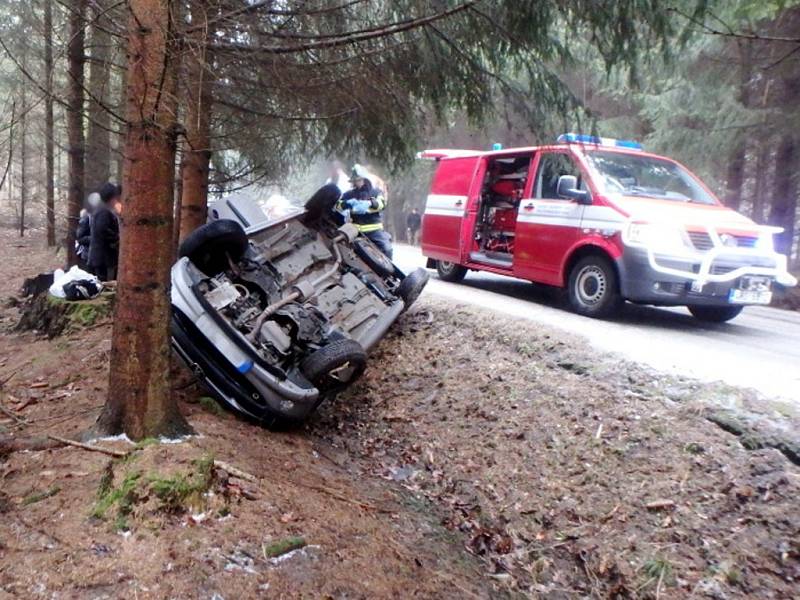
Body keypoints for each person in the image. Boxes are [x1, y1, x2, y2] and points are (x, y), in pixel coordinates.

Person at [338, 164, 393, 258]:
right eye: (355, 181)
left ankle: (387, 272)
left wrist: (370, 203)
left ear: (364, 179)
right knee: (344, 250)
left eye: (359, 180)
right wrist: (347, 203)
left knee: (387, 249)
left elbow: (382, 204)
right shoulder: (349, 194)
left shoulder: (375, 192)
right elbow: (338, 205)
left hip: (375, 231)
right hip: (355, 231)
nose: (357, 183)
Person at [88, 183, 121, 281]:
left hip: (101, 258)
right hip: (103, 259)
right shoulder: (104, 212)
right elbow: (102, 230)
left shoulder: (103, 210)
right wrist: (117, 237)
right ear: (112, 197)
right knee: (105, 285)